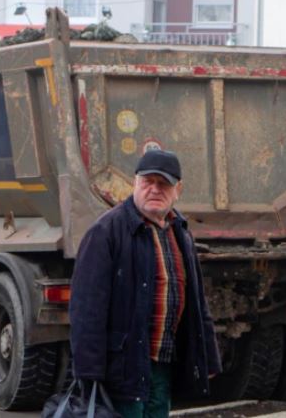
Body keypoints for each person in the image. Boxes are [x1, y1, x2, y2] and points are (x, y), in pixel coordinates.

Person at [69, 149, 222, 417]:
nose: (154, 190)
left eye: (163, 184)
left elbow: (197, 303)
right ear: (135, 183)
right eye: (147, 182)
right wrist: (88, 372)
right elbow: (86, 309)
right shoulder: (107, 231)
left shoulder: (181, 234)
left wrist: (207, 357)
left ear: (178, 190)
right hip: (121, 369)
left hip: (162, 365)